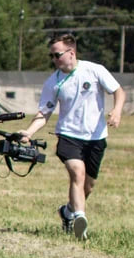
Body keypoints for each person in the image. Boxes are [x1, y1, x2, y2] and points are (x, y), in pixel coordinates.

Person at [17, 33, 125, 241]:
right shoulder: (53, 82)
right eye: (52, 56)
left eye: (57, 55)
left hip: (96, 137)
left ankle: (67, 212)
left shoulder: (95, 70)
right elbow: (44, 113)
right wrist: (29, 132)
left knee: (88, 186)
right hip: (68, 135)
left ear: (71, 53)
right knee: (77, 173)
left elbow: (118, 91)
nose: (54, 60)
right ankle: (79, 220)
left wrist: (117, 110)